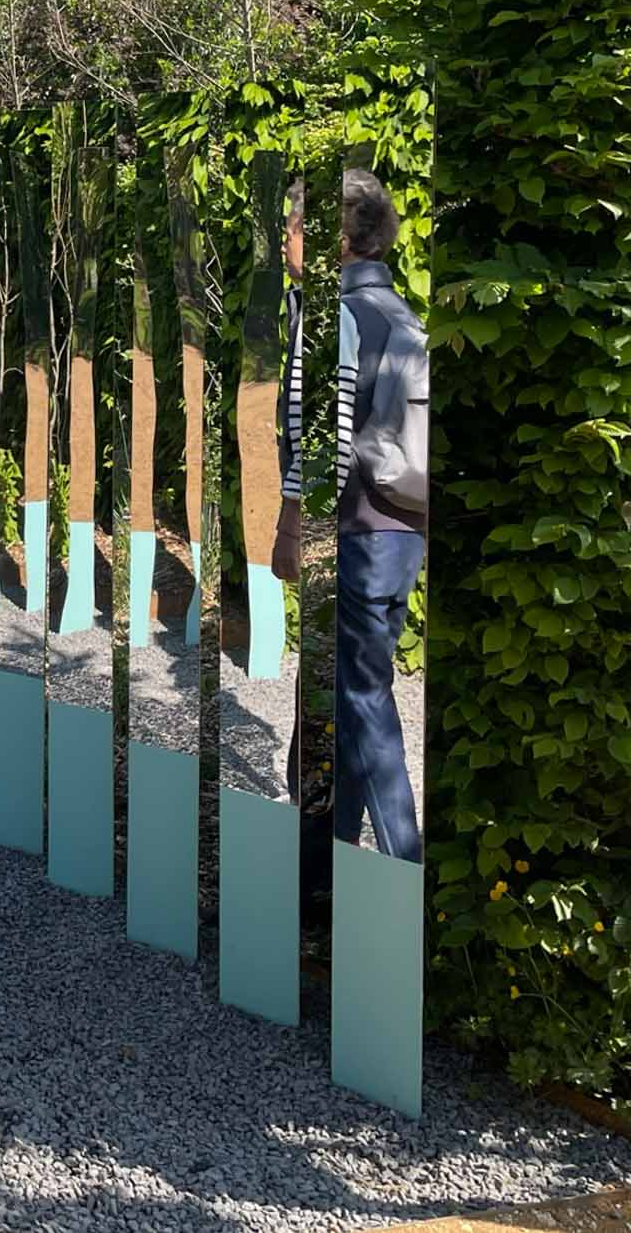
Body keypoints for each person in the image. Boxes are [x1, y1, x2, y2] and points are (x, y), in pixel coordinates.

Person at [279, 169, 426, 864]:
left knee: (360, 704)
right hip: (404, 534)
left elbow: (326, 433)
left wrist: (296, 524)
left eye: (298, 224)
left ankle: (404, 872)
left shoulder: (336, 315)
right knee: (343, 708)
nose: (289, 239)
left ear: (338, 236)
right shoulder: (402, 314)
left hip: (357, 539)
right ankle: (318, 872)